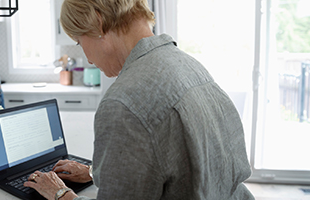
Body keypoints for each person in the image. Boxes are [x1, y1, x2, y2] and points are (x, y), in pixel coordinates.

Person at [23, 0, 255, 199]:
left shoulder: (123, 103)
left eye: (79, 41)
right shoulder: (189, 65)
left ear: (98, 22)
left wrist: (60, 193)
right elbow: (182, 165)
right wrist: (96, 172)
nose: (89, 59)